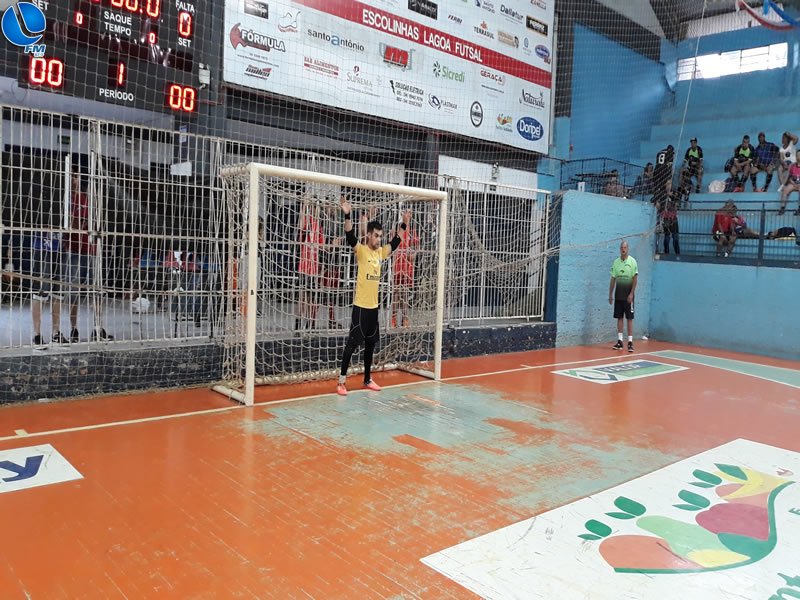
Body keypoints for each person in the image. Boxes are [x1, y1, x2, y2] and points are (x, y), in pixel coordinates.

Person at [337, 195, 411, 396]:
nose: (379, 239)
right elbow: (350, 236)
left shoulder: (380, 253)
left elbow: (395, 242)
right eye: (376, 236)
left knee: (370, 344)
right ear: (369, 235)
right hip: (360, 307)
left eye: (380, 236)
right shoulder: (361, 251)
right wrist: (347, 214)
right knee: (352, 344)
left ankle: (367, 379)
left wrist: (404, 224)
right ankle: (341, 382)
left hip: (373, 308)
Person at [65, 174, 113, 342]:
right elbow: (71, 224)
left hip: (91, 249)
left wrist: (85, 224)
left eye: (76, 177)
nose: (75, 180)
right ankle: (73, 330)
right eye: (72, 177)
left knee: (96, 290)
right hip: (74, 250)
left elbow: (92, 223)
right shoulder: (66, 199)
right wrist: (80, 223)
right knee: (73, 292)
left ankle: (97, 327)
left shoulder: (86, 198)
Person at [295, 197, 324, 331]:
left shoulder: (319, 226)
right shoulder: (307, 222)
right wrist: (304, 206)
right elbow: (300, 226)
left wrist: (333, 245)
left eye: (315, 207)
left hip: (314, 268)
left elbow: (322, 246)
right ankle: (297, 323)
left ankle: (310, 323)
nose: (314, 209)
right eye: (312, 207)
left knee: (311, 298)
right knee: (302, 297)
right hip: (304, 267)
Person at [608, 241, 638, 353]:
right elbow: (613, 279)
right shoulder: (616, 262)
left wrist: (631, 294)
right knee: (619, 317)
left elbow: (635, 279)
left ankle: (630, 342)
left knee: (629, 318)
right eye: (621, 247)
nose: (623, 249)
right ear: (620, 249)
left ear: (628, 248)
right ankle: (620, 341)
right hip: (618, 296)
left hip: (628, 296)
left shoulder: (632, 262)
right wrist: (610, 294)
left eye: (625, 247)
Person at [391, 220, 419, 328]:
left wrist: (413, 254)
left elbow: (416, 247)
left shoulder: (412, 231)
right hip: (398, 264)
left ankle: (404, 319)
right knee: (396, 293)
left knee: (405, 294)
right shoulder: (396, 229)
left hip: (407, 266)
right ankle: (393, 319)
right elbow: (391, 245)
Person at [779, 149, 800, 216]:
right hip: (793, 183)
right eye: (797, 155)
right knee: (785, 191)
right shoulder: (792, 165)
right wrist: (792, 183)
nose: (798, 157)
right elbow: (789, 176)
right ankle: (782, 208)